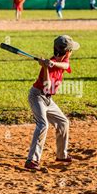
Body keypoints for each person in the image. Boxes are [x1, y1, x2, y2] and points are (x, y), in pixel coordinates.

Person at [25, 35, 80, 172]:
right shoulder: (49, 65)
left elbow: (66, 65)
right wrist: (46, 68)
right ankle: (32, 160)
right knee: (43, 124)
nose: (71, 53)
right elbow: (46, 87)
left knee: (63, 123)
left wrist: (52, 64)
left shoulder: (62, 60)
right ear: (67, 51)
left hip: (48, 100)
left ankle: (61, 155)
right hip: (37, 96)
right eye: (71, 50)